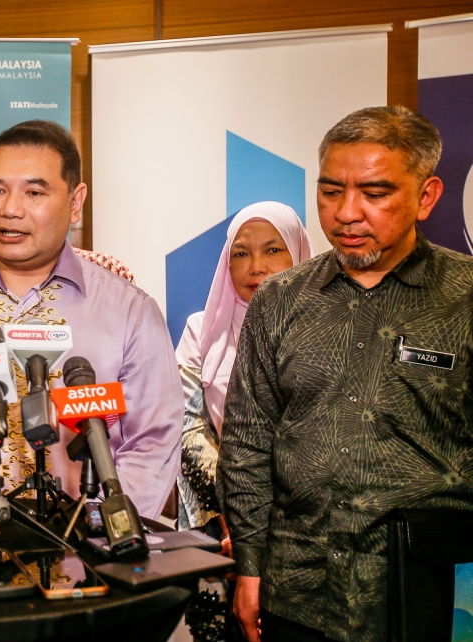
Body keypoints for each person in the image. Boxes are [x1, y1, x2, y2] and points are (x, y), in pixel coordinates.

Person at [219, 105, 473, 642]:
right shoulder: (280, 300)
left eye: (374, 193)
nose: (346, 213)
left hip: (423, 594)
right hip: (293, 593)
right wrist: (248, 563)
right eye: (331, 191)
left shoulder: (464, 298)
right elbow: (247, 441)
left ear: (426, 196)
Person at [0, 120, 183, 516]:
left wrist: (102, 537)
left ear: (75, 202)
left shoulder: (129, 311)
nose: (10, 209)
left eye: (34, 192)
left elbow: (152, 444)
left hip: (84, 558)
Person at [174, 202, 313, 641]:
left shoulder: (330, 334)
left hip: (306, 530)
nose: (256, 267)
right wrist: (240, 519)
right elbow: (190, 427)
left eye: (273, 250)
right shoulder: (202, 330)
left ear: (298, 254)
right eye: (240, 253)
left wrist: (273, 528)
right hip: (222, 528)